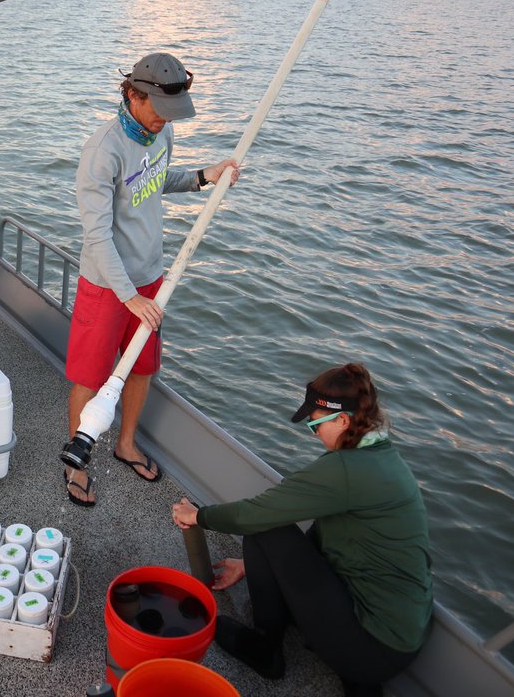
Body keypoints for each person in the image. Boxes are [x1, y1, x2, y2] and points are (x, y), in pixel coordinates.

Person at [171, 363, 433, 697]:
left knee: (266, 526)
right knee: (274, 526)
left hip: (371, 650)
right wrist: (250, 566)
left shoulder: (345, 470)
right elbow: (331, 536)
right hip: (401, 636)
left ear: (343, 420)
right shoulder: (383, 459)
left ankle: (267, 651)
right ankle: (355, 674)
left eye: (315, 423)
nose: (313, 432)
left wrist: (198, 516)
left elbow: (255, 515)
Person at [64, 52, 240, 507]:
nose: (165, 120)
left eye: (172, 112)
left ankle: (125, 444)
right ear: (132, 95)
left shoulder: (164, 132)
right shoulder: (102, 151)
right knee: (91, 375)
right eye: (159, 110)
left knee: (142, 368)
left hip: (150, 280)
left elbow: (157, 180)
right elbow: (97, 235)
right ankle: (75, 463)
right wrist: (127, 297)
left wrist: (206, 176)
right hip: (107, 285)